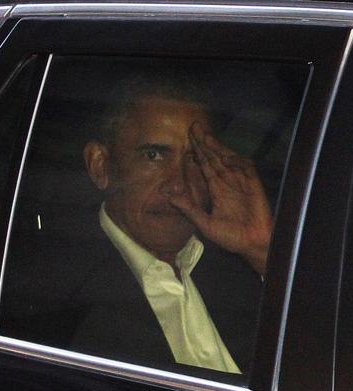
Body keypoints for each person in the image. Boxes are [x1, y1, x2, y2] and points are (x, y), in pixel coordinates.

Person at [68, 75, 273, 375]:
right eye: (154, 155)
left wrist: (264, 254)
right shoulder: (61, 287)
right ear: (100, 165)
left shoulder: (239, 264)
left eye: (193, 159)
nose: (178, 185)